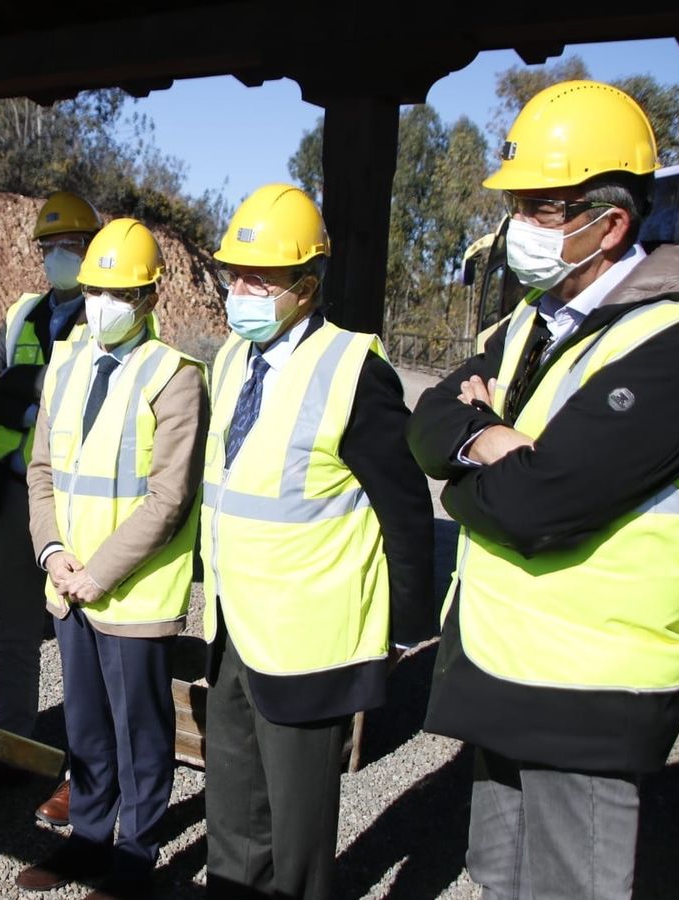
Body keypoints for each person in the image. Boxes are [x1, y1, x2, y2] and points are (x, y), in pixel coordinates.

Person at [404, 80, 679, 899]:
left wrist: (482, 466)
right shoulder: (532, 319)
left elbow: (538, 504)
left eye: (541, 206)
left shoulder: (675, 344)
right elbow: (425, 424)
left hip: (590, 687)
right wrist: (493, 445)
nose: (518, 222)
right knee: (498, 874)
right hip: (505, 660)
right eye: (517, 201)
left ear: (612, 223)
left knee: (568, 886)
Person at [201, 184, 435, 900]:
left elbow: (405, 509)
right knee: (233, 810)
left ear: (304, 290)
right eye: (233, 275)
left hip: (308, 642)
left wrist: (404, 627)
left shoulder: (355, 371)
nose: (239, 291)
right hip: (233, 625)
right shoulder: (231, 360)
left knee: (297, 833)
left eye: (259, 279)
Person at [17, 219, 207, 899]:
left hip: (131, 593)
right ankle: (89, 839)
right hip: (68, 584)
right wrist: (53, 553)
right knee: (86, 724)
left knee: (141, 732)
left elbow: (170, 495)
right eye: (95, 288)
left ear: (151, 297)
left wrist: (99, 571)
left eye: (119, 291)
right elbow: (40, 468)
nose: (102, 302)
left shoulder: (175, 376)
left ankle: (137, 852)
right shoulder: (65, 360)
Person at [0, 190, 101, 825]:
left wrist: (30, 394)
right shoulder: (23, 313)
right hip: (16, 497)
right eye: (48, 247)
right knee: (14, 629)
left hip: (81, 504)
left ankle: (84, 772)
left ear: (92, 249)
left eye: (68, 246)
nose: (56, 257)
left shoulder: (110, 316)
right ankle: (14, 748)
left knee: (79, 637)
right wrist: (40, 407)